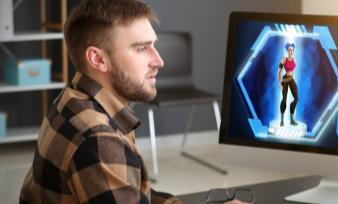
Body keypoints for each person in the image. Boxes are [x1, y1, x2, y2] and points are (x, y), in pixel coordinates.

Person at [19, 0, 248, 203]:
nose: (159, 60)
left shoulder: (73, 98)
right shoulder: (98, 137)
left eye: (154, 45)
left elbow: (130, 193)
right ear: (98, 59)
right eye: (141, 48)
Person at [277, 43, 298, 127]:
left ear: (293, 51)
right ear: (287, 50)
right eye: (289, 50)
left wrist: (293, 78)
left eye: (292, 50)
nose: (291, 51)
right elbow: (278, 72)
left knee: (296, 98)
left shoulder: (294, 60)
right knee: (284, 100)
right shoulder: (284, 59)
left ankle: (292, 120)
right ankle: (282, 120)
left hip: (291, 79)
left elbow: (292, 71)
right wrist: (279, 83)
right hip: (285, 80)